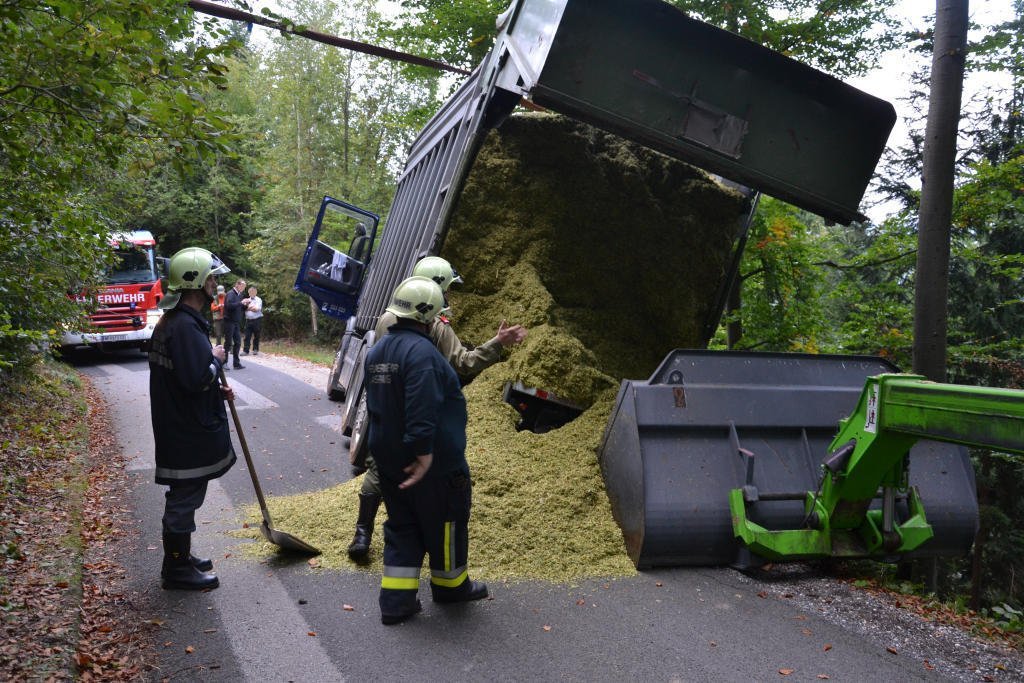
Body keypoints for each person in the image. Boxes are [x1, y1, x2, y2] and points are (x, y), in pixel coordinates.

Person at [347, 255, 527, 560]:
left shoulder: (387, 317)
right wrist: (497, 342)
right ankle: (429, 542)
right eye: (447, 289)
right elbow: (464, 362)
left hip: (386, 405)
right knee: (431, 476)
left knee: (379, 469)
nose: (448, 296)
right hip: (420, 406)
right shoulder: (436, 327)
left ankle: (362, 533)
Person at [365, 276, 488, 625]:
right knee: (447, 524)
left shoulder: (377, 352)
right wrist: (423, 453)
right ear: (428, 315)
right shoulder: (422, 354)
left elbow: (376, 407)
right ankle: (451, 588)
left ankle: (396, 602)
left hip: (390, 461)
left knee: (402, 527)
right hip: (433, 465)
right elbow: (422, 405)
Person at [149, 247, 237, 591]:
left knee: (187, 495)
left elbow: (183, 379)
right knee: (184, 497)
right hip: (184, 430)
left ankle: (181, 557)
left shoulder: (179, 322)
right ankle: (176, 569)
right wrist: (215, 360)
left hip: (180, 423)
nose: (215, 284)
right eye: (211, 278)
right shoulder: (184, 327)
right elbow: (195, 379)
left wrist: (215, 390)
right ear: (196, 281)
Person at [223, 278, 250, 369]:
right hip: (229, 321)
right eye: (242, 286)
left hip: (236, 322)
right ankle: (224, 363)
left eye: (244, 287)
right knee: (228, 342)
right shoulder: (230, 294)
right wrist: (241, 302)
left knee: (238, 342)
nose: (243, 288)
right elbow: (229, 306)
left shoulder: (240, 295)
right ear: (237, 285)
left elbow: (240, 307)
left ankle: (236, 363)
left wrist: (246, 305)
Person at [242, 285, 263, 356]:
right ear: (249, 293)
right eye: (250, 292)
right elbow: (243, 308)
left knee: (256, 335)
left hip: (257, 320)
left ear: (256, 292)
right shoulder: (246, 300)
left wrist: (247, 308)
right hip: (248, 320)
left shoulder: (259, 300)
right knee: (247, 336)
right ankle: (246, 351)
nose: (252, 293)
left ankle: (255, 349)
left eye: (253, 292)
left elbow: (257, 309)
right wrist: (250, 308)